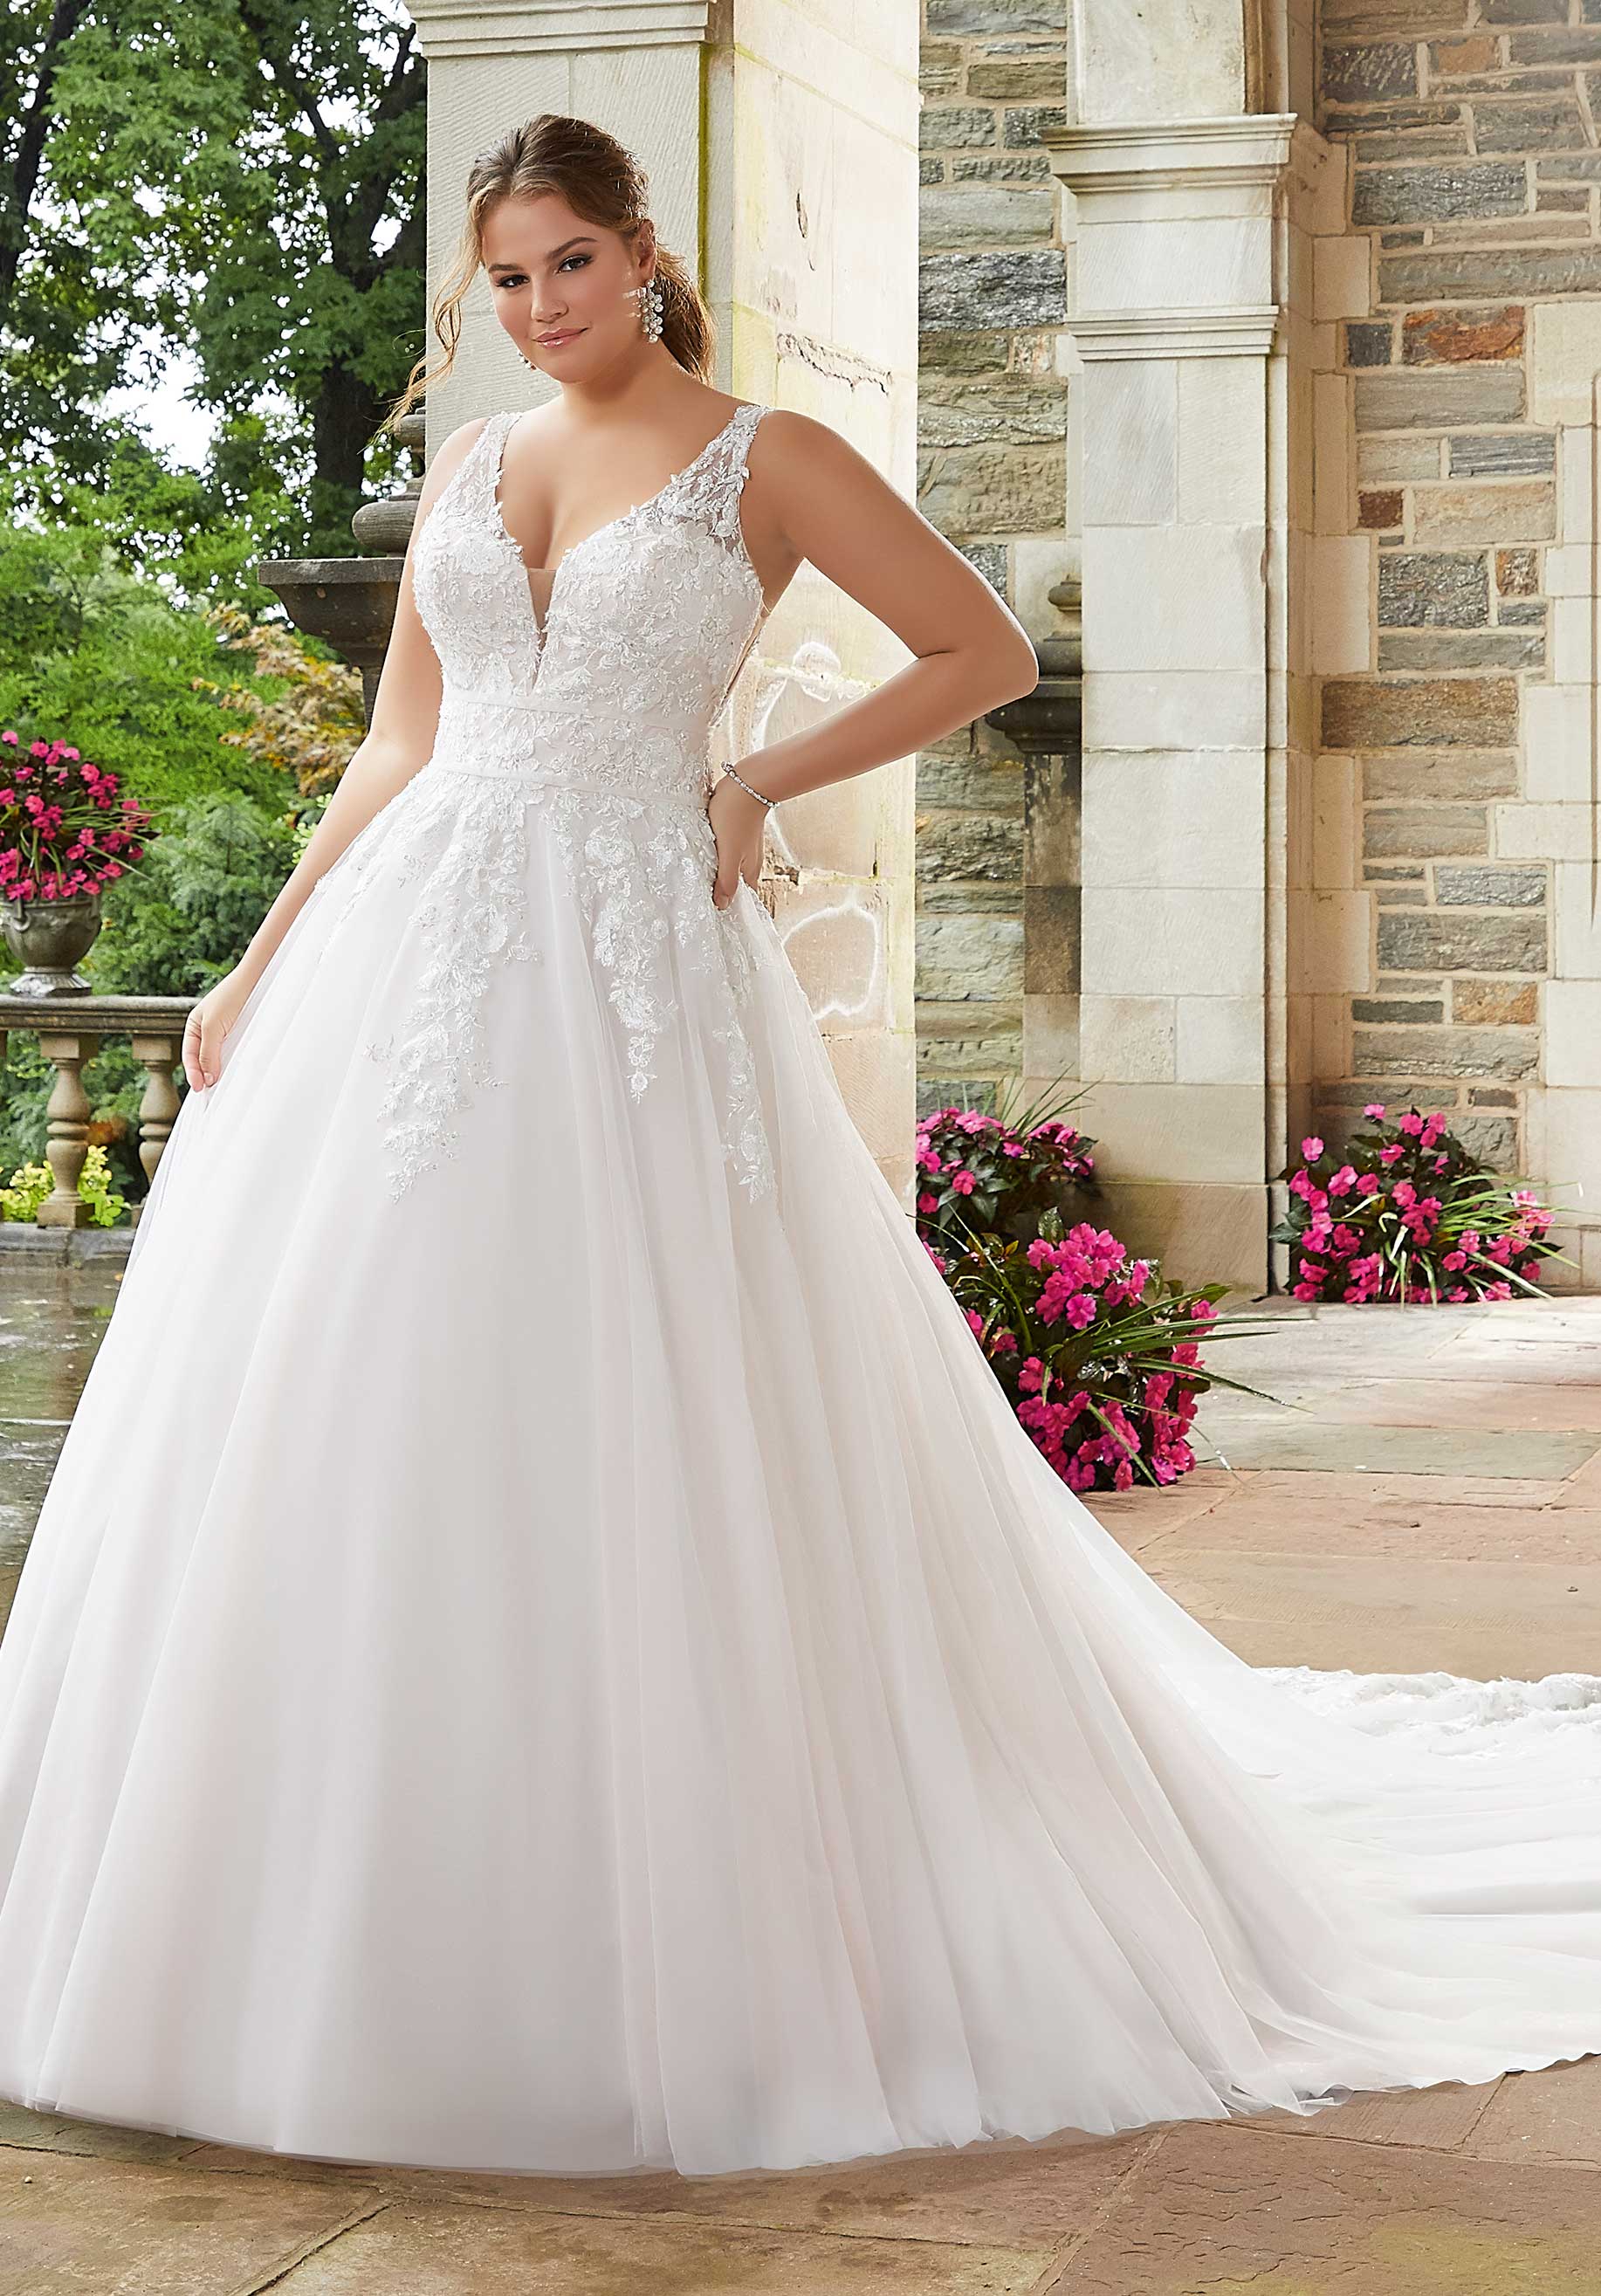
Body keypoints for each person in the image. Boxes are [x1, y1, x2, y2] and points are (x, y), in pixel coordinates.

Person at [0, 112, 1597, 2184]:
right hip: (407, 960)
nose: (534, 310)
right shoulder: (467, 469)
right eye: (502, 276)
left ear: (639, 254)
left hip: (634, 963)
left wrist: (756, 772)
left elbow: (982, 653)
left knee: (650, 1394)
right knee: (366, 1386)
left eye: (566, 264)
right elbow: (403, 738)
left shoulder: (764, 455)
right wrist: (248, 963)